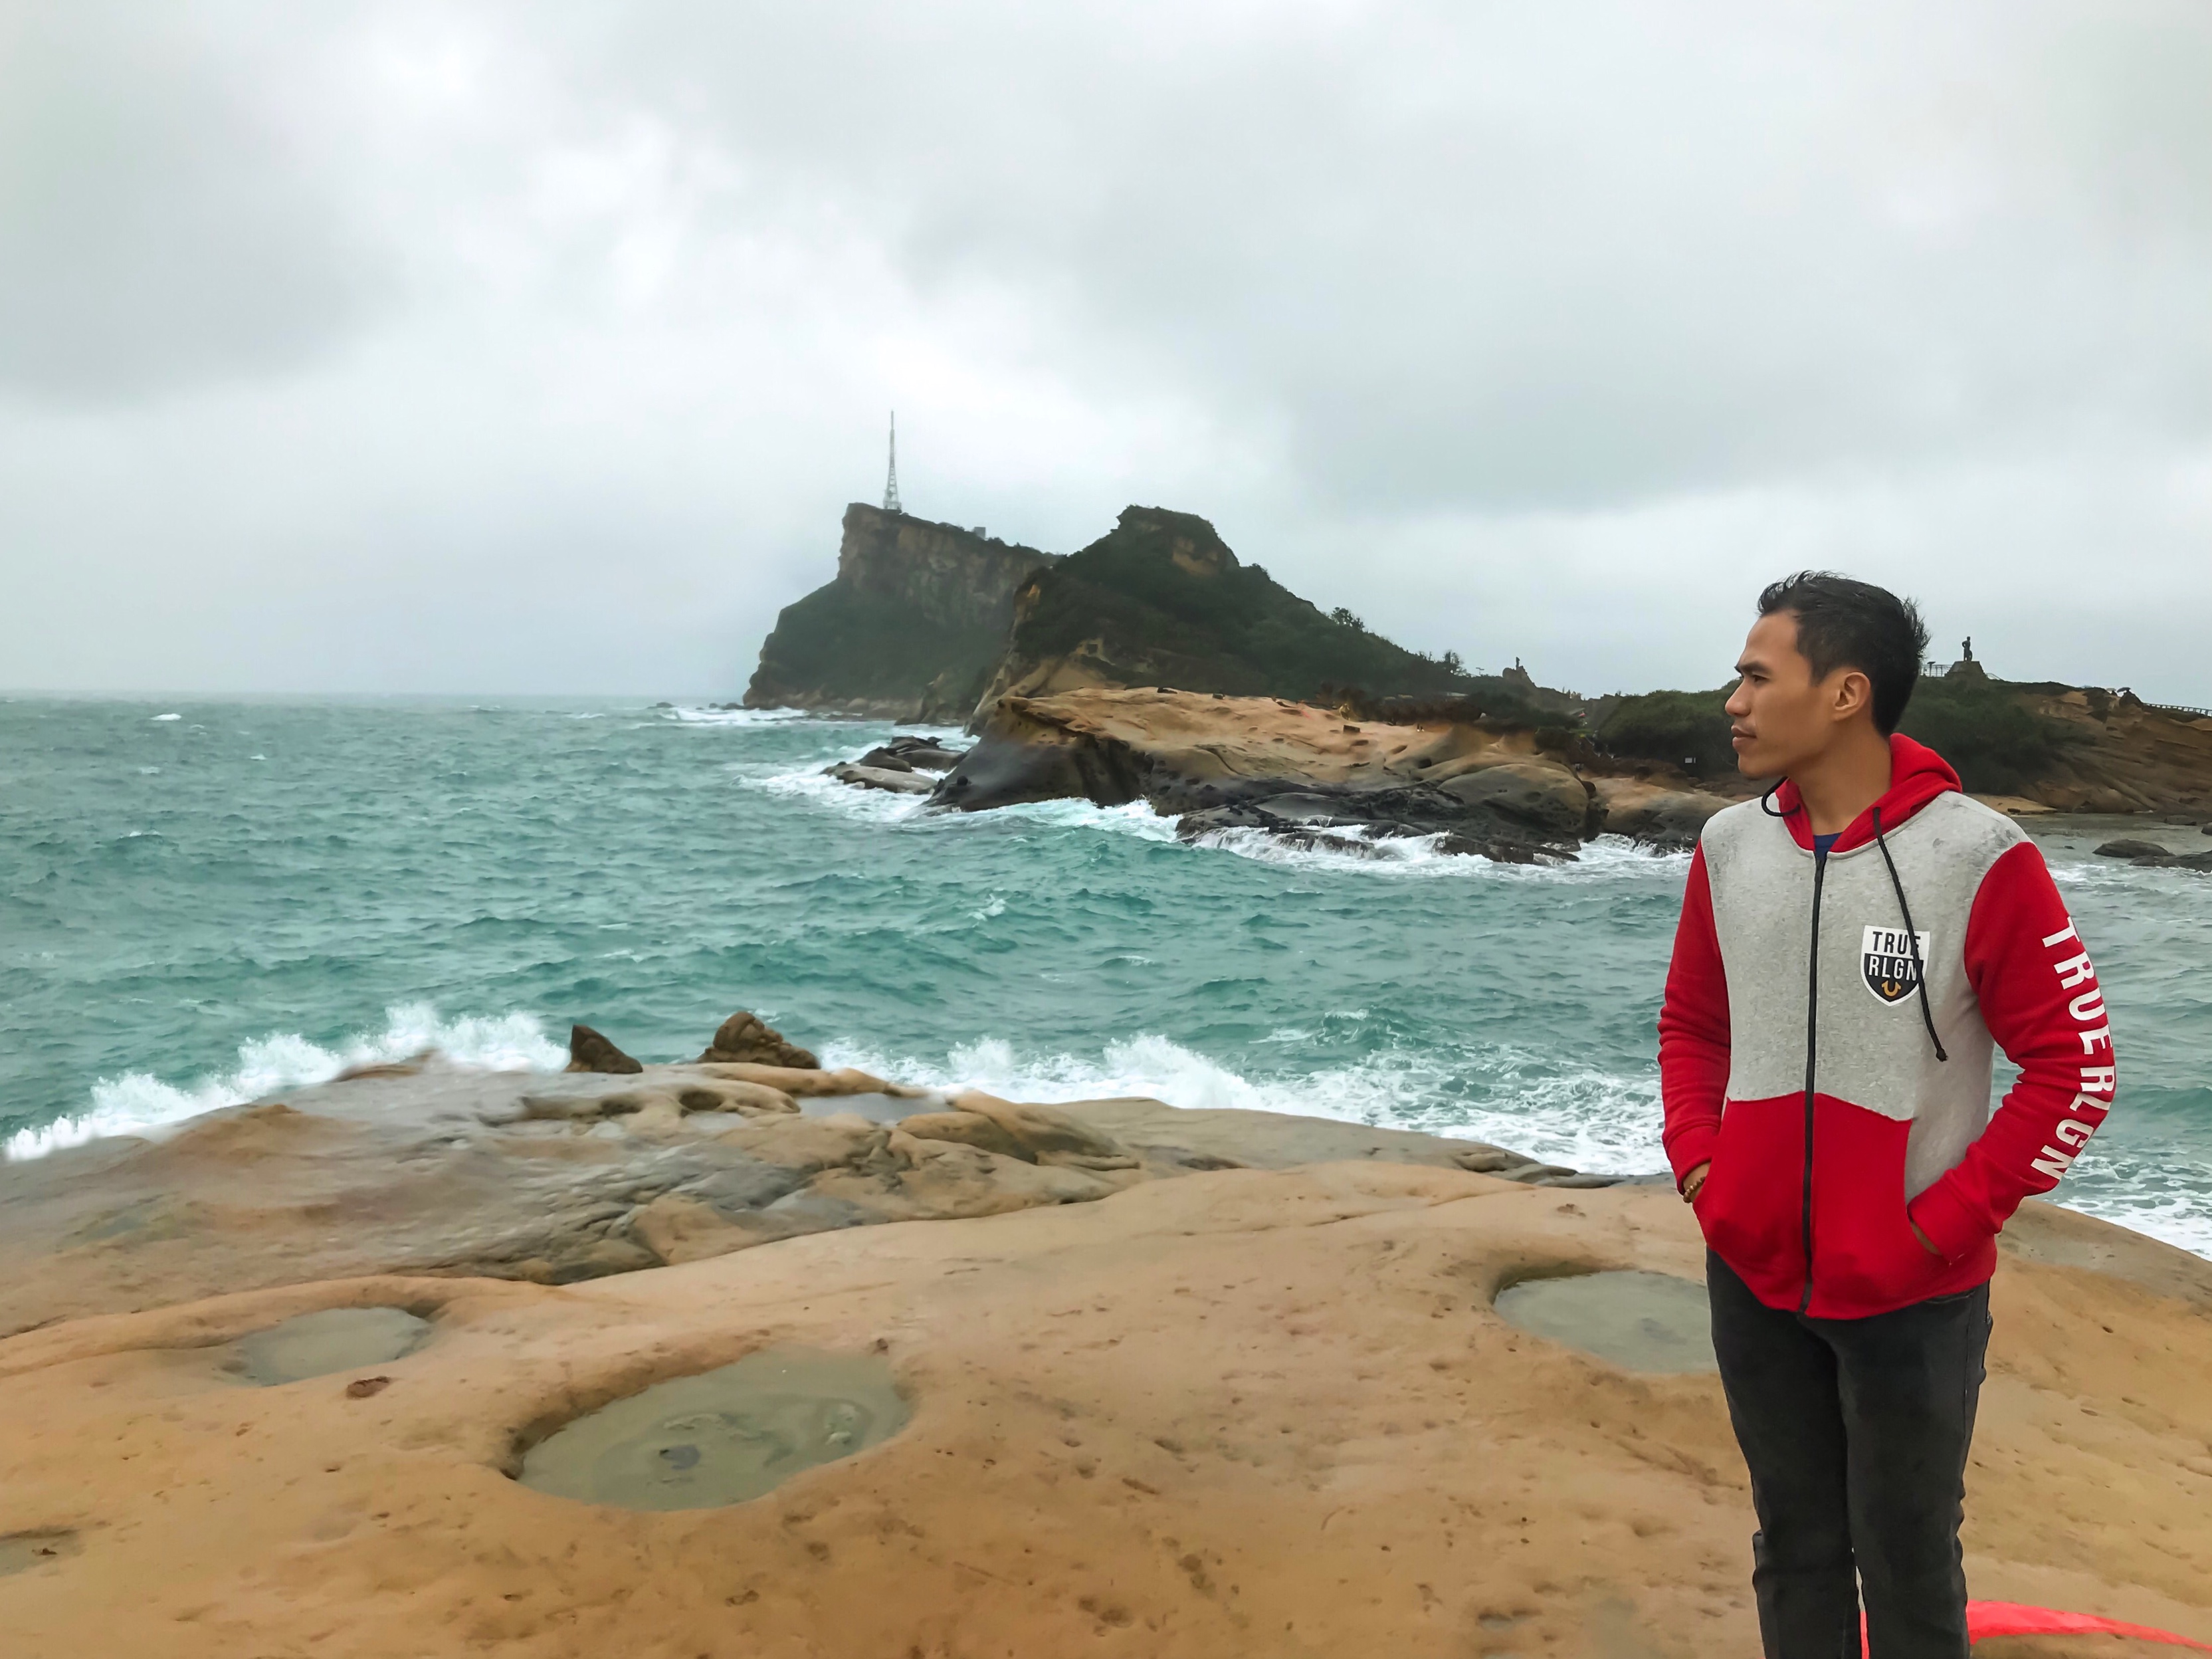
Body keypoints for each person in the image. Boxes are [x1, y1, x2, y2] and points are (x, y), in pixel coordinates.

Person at [1658, 573, 2114, 1658]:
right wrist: (1702, 1175)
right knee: (1797, 1547)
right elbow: (1690, 1025)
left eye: (1756, 675)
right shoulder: (1728, 845)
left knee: (1907, 1564)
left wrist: (1935, 1226)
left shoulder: (1979, 855)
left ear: (1845, 693)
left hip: (1912, 1297)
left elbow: (2074, 1068)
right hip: (1754, 1270)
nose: (1731, 699)